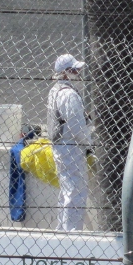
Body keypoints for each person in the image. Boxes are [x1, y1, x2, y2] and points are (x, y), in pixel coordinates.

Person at [47, 54, 89, 232]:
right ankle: (72, 231)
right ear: (65, 73)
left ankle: (63, 229)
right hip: (71, 145)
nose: (78, 72)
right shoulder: (68, 95)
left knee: (66, 189)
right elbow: (76, 126)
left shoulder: (54, 91)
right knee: (76, 190)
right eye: (74, 70)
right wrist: (89, 145)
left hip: (61, 145)